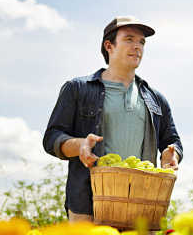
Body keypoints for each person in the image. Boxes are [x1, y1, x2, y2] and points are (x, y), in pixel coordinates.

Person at [43, 16, 183, 222]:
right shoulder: (78, 89)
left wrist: (171, 155)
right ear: (109, 46)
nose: (137, 47)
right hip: (87, 205)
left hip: (142, 205)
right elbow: (52, 138)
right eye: (129, 39)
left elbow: (172, 141)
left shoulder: (156, 99)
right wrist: (80, 145)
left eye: (142, 42)